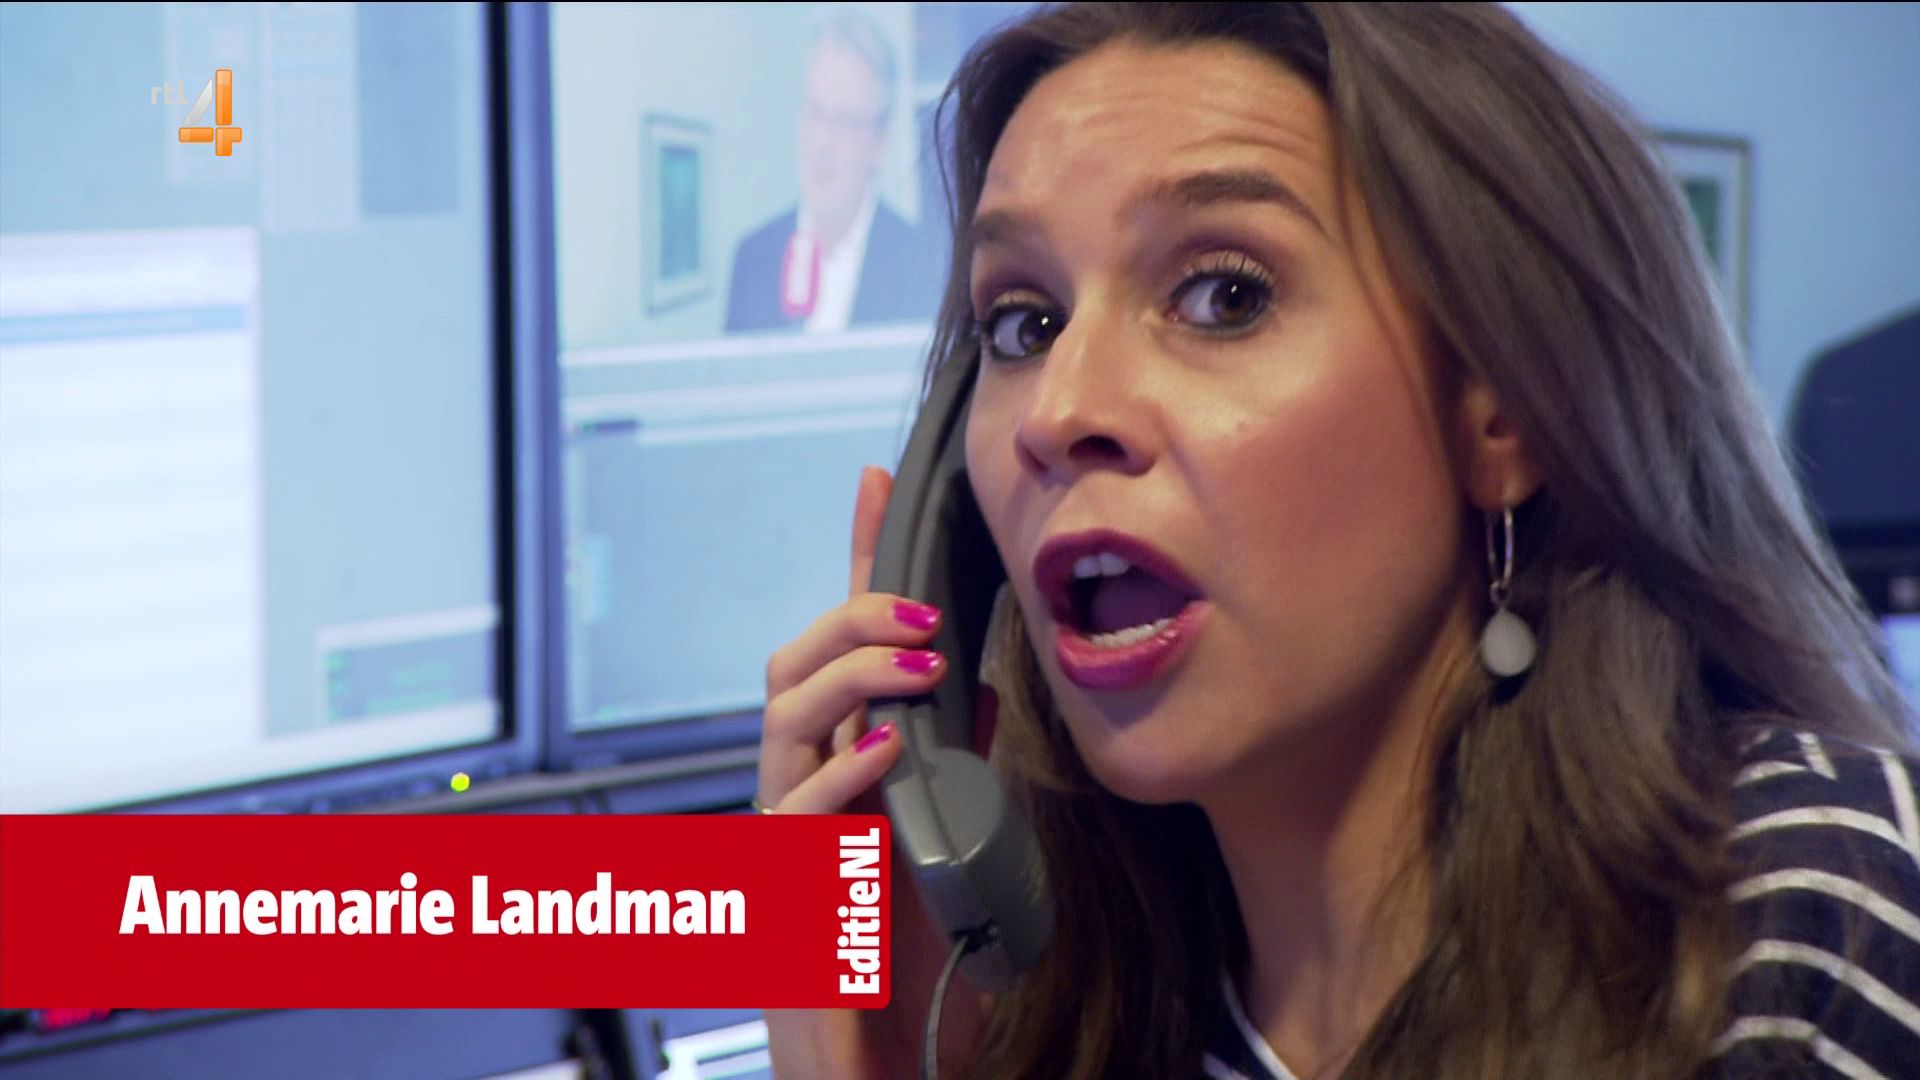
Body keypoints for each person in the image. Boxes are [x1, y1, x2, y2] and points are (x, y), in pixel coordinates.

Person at [755, 4, 1920, 1078]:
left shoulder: (1793, 907)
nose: (1058, 414)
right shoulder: (1101, 1014)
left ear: (1501, 410)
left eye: (1223, 297)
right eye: (1024, 323)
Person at [723, 10, 940, 334]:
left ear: (879, 143)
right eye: (816, 113)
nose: (822, 142)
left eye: (844, 121)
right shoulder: (753, 258)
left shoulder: (920, 264)